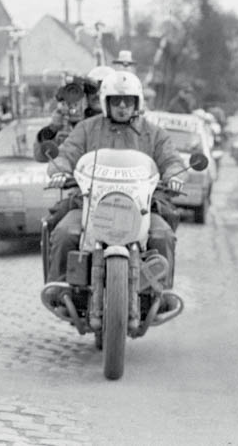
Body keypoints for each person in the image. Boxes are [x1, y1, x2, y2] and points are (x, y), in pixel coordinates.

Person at [43, 71, 186, 308]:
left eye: (127, 100)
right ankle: (61, 291)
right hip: (90, 205)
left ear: (136, 102)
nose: (122, 106)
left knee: (162, 235)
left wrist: (173, 176)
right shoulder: (87, 129)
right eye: (116, 100)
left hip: (141, 209)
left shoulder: (154, 133)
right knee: (64, 232)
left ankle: (159, 295)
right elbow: (67, 153)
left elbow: (172, 160)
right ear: (105, 102)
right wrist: (59, 170)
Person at [33, 67, 113, 161]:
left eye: (104, 89)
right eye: (93, 90)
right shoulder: (72, 123)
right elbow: (41, 156)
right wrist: (52, 129)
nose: (98, 94)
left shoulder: (124, 124)